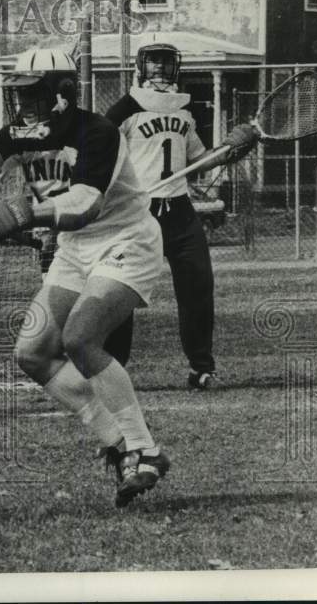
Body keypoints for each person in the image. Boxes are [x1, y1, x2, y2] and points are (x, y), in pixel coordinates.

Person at [0, 47, 171, 507]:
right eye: (18, 97)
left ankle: (145, 450)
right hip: (76, 249)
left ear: (63, 94)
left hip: (126, 242)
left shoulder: (97, 132)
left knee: (81, 339)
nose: (22, 107)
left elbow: (84, 205)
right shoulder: (27, 130)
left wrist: (21, 213)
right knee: (32, 353)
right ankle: (117, 442)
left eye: (32, 96)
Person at [103, 42, 257, 388]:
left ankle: (202, 368)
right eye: (153, 62)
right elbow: (100, 154)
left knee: (198, 286)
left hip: (180, 210)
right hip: (137, 211)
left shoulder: (184, 112)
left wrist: (231, 150)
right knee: (121, 290)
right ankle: (112, 371)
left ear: (176, 67)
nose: (159, 68)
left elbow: (199, 159)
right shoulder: (124, 110)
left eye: (165, 62)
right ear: (141, 67)